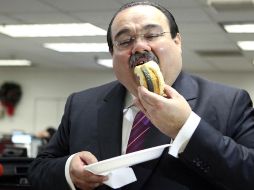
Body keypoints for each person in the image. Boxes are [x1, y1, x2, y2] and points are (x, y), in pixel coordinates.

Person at [28, 1, 254, 190]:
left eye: (152, 35)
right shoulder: (81, 104)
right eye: (125, 41)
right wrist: (69, 170)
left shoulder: (230, 102)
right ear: (112, 54)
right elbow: (38, 169)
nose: (139, 47)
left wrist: (185, 128)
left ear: (177, 42)